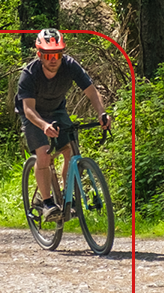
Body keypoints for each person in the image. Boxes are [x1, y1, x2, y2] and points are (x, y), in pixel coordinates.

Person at [15, 28, 112, 220]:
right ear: (39, 54)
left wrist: (102, 113)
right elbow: (28, 110)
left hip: (57, 110)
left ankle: (68, 198)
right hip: (33, 114)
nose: (53, 59)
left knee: (70, 150)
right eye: (48, 55)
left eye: (57, 54)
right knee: (43, 153)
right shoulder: (29, 74)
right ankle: (47, 203)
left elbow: (91, 91)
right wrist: (44, 126)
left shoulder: (70, 66)